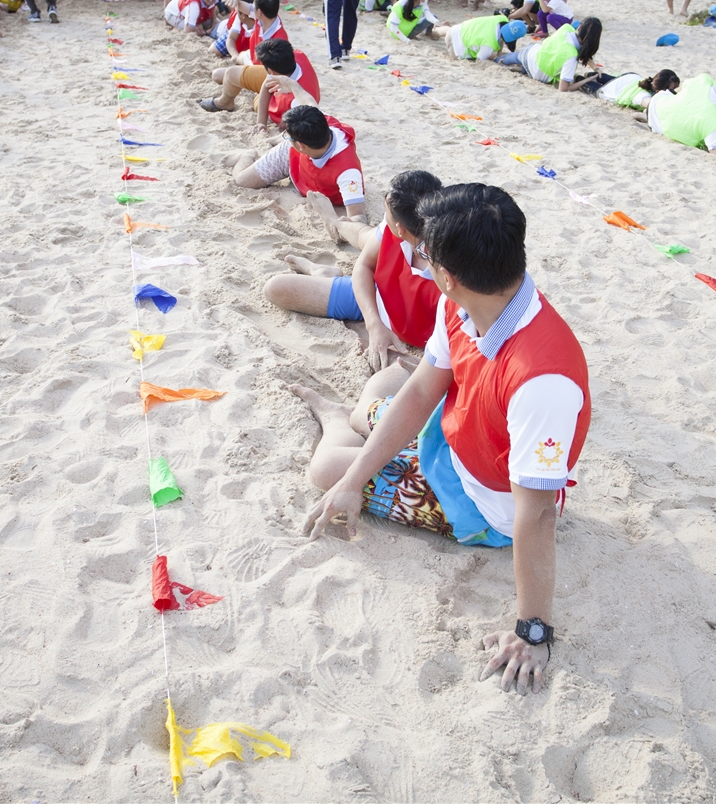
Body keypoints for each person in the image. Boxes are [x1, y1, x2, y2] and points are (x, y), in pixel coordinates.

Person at [301, 183, 590, 694]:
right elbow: (420, 393)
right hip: (456, 437)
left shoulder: (542, 380)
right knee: (383, 391)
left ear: (448, 276)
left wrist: (533, 631)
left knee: (325, 469)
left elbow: (538, 513)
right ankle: (352, 421)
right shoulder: (466, 305)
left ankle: (336, 420)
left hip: (482, 501)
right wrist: (355, 480)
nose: (419, 260)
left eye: (425, 256)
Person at [264, 170, 445, 368]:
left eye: (386, 213)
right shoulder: (397, 228)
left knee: (365, 237)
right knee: (276, 288)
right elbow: (364, 265)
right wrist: (373, 324)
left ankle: (332, 246)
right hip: (376, 295)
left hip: (412, 320)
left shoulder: (449, 265)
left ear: (400, 228)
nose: (385, 217)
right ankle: (335, 223)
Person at [229, 104, 370, 248]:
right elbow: (306, 99)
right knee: (242, 179)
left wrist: (337, 222)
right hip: (292, 157)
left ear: (300, 145)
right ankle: (247, 155)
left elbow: (358, 218)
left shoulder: (347, 171)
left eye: (287, 136)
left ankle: (276, 141)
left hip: (314, 177)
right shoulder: (318, 120)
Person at [200, 36, 319, 129]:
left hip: (280, 105)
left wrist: (262, 123)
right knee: (230, 73)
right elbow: (267, 84)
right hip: (280, 77)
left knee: (257, 101)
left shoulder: (297, 102)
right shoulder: (295, 55)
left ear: (270, 70)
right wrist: (260, 122)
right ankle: (224, 102)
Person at [498, 16, 601, 93]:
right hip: (537, 74)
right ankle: (522, 69)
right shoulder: (572, 56)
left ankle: (499, 60)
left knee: (505, 59)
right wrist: (587, 80)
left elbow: (582, 49)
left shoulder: (566, 28)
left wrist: (595, 68)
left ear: (579, 28)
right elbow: (563, 88)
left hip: (530, 54)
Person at [579, 68, 679, 109]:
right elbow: (652, 105)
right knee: (588, 85)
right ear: (658, 91)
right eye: (672, 89)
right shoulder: (643, 96)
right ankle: (578, 77)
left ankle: (590, 74)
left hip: (629, 79)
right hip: (611, 91)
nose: (674, 92)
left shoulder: (648, 82)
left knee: (605, 78)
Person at [447, 15, 527, 61]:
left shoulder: (502, 19)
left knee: (447, 31)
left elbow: (502, 35)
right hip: (455, 47)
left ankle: (440, 28)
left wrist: (499, 54)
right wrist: (497, 57)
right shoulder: (489, 45)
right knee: (491, 55)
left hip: (457, 29)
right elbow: (479, 60)